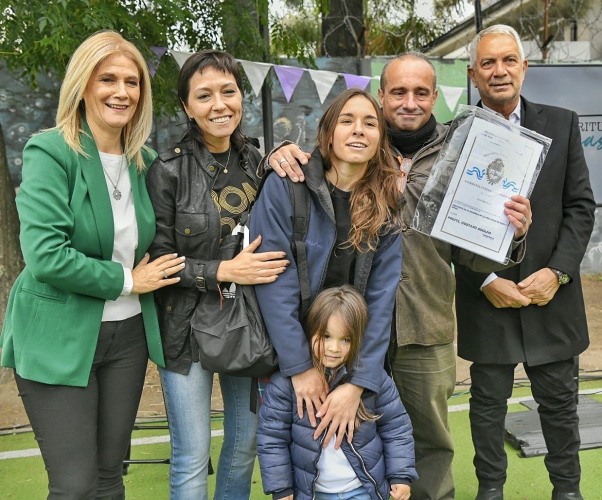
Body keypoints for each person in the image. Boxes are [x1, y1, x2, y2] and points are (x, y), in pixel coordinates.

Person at [268, 52, 532, 500]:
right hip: (341, 331)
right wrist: (272, 156)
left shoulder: (464, 151)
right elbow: (303, 189)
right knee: (331, 434)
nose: (409, 102)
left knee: (427, 441)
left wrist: (511, 234)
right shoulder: (357, 142)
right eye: (398, 92)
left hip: (422, 322)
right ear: (381, 95)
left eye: (421, 92)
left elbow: (474, 254)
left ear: (434, 98)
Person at [0, 31, 184, 499]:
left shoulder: (144, 161)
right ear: (83, 86)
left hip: (126, 339)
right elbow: (45, 256)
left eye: (132, 81)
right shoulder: (51, 151)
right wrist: (129, 279)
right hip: (58, 335)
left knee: (108, 477)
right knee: (75, 483)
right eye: (108, 79)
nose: (121, 92)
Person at [453, 25, 596, 500]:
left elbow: (580, 206)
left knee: (559, 404)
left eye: (508, 60)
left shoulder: (562, 122)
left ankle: (567, 491)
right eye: (488, 63)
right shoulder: (455, 134)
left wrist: (558, 272)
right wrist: (486, 277)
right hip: (486, 295)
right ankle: (490, 490)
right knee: (488, 405)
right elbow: (441, 220)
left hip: (550, 294)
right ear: (474, 74)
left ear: (524, 67)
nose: (500, 71)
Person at [145, 49, 288, 500]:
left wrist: (287, 155)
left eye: (228, 91)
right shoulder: (167, 170)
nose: (219, 104)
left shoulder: (257, 162)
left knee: (245, 443)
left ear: (241, 97)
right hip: (184, 326)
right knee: (191, 454)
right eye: (204, 95)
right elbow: (160, 261)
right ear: (187, 107)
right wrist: (225, 270)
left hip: (244, 323)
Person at [251, 88, 403, 455]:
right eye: (347, 120)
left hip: (350, 356)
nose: (358, 130)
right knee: (293, 458)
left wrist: (358, 383)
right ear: (328, 132)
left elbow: (382, 301)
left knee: (352, 455)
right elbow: (274, 284)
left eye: (370, 123)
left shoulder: (386, 202)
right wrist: (300, 368)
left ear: (380, 138)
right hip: (291, 356)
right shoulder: (287, 186)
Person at [257, 285, 417, 500]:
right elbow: (272, 438)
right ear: (310, 330)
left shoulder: (374, 379)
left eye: (345, 340)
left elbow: (396, 428)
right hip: (312, 493)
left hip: (362, 490)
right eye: (326, 336)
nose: (334, 348)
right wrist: (282, 488)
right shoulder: (285, 384)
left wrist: (400, 476)